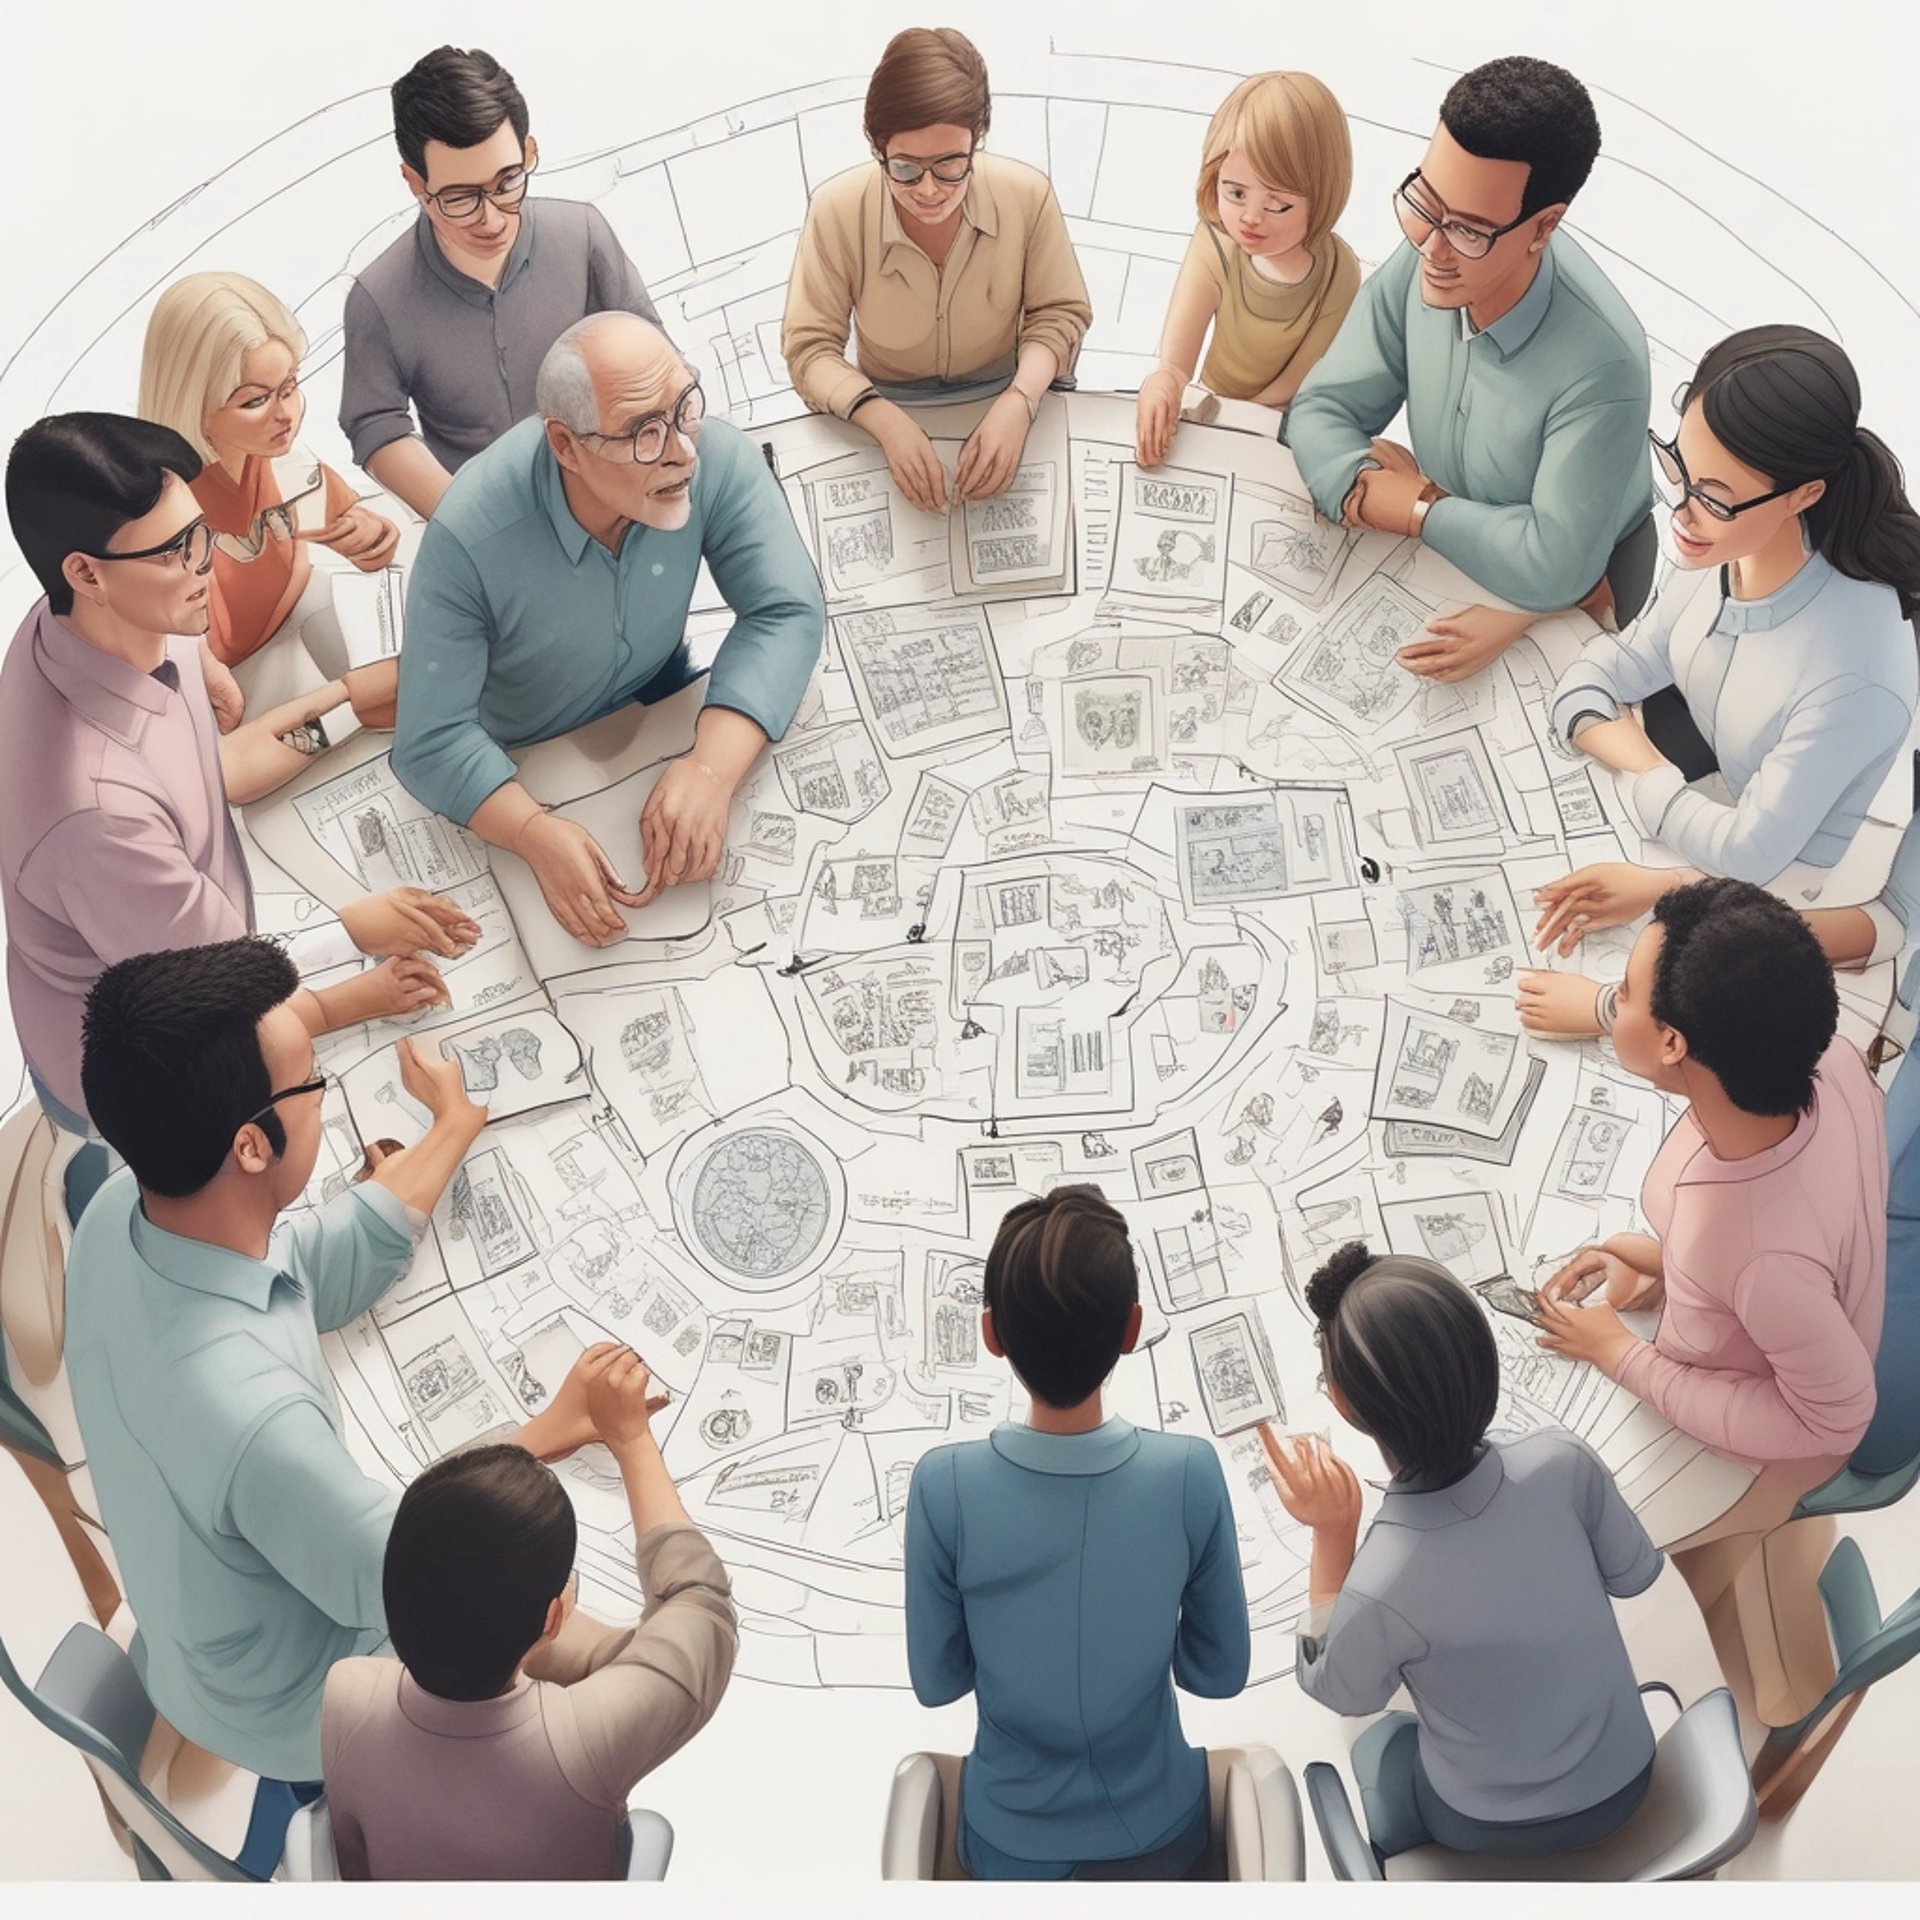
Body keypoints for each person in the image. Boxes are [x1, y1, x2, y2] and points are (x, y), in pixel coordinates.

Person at [62, 939, 627, 1865]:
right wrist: (533, 1444)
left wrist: (454, 1125)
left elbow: (300, 1265)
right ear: (250, 1145)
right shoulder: (255, 1425)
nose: (325, 1096)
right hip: (299, 1715)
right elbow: (434, 1587)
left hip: (199, 1647)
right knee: (557, 1617)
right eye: (313, 1083)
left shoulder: (122, 1211)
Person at [1, 414, 475, 1185]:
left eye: (202, 532)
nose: (207, 563)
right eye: (177, 550)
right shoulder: (92, 814)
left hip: (187, 952)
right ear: (85, 572)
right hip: (147, 1073)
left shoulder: (116, 617)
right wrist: (352, 951)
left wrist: (352, 702)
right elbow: (212, 983)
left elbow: (218, 768)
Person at [1532, 878, 1885, 1724]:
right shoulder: (1826, 1060)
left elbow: (1834, 1417)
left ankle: (1770, 1678)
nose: (1610, 1005)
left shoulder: (1762, 1260)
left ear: (1673, 1043)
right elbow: (1791, 1233)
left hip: (1764, 1443)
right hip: (1773, 1321)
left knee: (1567, 1542)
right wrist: (1671, 1266)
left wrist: (1622, 1354)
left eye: (1621, 995)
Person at [392, 313, 824, 947]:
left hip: (660, 697)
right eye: (643, 432)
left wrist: (711, 769)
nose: (682, 452)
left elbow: (786, 607)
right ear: (566, 446)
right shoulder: (469, 534)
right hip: (523, 753)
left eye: (685, 407)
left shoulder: (715, 453)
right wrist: (531, 834)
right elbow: (431, 740)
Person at [1267, 1242, 1661, 1862]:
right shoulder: (1563, 1460)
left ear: (1342, 1401)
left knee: (1379, 1746)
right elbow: (1634, 1574)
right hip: (1630, 1774)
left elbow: (1342, 1691)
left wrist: (1332, 1537)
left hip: (1494, 1825)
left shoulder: (1379, 1580)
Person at [904, 1185, 1249, 1881]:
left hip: (1006, 1847)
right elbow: (1218, 1675)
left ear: (991, 1334)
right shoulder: (1191, 1472)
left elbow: (937, 1682)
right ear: (1132, 1328)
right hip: (1165, 1836)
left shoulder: (942, 1486)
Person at [1286, 56, 1654, 683]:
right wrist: (1363, 484)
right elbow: (1322, 407)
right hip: (1462, 553)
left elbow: (1556, 565)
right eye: (1425, 204)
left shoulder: (1605, 364)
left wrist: (1418, 507)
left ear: (1544, 227)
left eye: (1470, 230)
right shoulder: (1429, 254)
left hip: (1593, 584)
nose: (1431, 248)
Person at [322, 1349, 738, 1879]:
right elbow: (699, 1600)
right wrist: (631, 1439)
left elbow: (432, 1540)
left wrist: (542, 1433)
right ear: (553, 1619)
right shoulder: (585, 1740)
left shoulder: (347, 1694)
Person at [1548, 325, 1920, 887]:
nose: (1681, 510)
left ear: (1805, 494)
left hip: (1804, 892)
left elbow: (1748, 854)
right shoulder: (1714, 556)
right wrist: (1650, 767)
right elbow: (1601, 673)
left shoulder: (1854, 676)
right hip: (1706, 811)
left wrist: (1644, 771)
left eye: (1716, 498)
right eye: (1679, 469)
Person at [340, 46, 664, 520]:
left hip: (615, 507)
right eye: (459, 199)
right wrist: (470, 523)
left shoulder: (583, 235)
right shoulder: (377, 298)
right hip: (480, 531)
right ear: (414, 182)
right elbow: (375, 425)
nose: (491, 219)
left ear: (528, 152)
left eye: (508, 181)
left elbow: (655, 357)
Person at [781, 26, 1092, 512]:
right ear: (878, 148)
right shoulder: (836, 209)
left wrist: (1020, 400)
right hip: (883, 406)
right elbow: (809, 348)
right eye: (905, 168)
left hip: (1004, 397)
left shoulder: (1027, 196)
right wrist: (882, 419)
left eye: (950, 165)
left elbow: (1059, 314)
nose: (928, 190)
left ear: (977, 140)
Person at [140, 272, 401, 710]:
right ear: (194, 402)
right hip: (224, 675)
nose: (286, 414)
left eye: (290, 387)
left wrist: (370, 537)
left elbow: (354, 534)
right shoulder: (162, 507)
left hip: (301, 611)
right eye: (254, 401)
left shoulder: (282, 460)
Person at [1136, 71, 1358, 468]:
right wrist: (1164, 383)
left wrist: (1234, 425)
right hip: (1208, 412)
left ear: (1323, 196)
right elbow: (1176, 362)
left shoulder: (1339, 270)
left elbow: (1296, 387)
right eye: (1236, 193)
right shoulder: (1214, 242)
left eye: (1277, 204)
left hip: (1283, 431)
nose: (1251, 218)